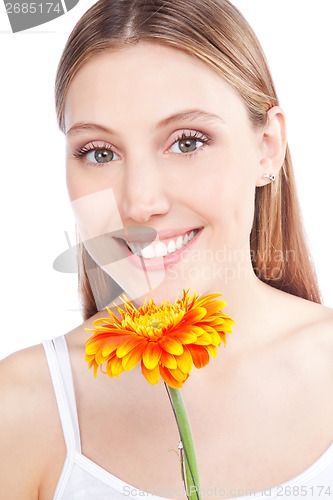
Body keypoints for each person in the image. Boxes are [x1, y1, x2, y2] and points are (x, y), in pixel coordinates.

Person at [1, 0, 333, 498]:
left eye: (187, 142)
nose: (140, 202)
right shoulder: (22, 406)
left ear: (267, 147)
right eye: (99, 153)